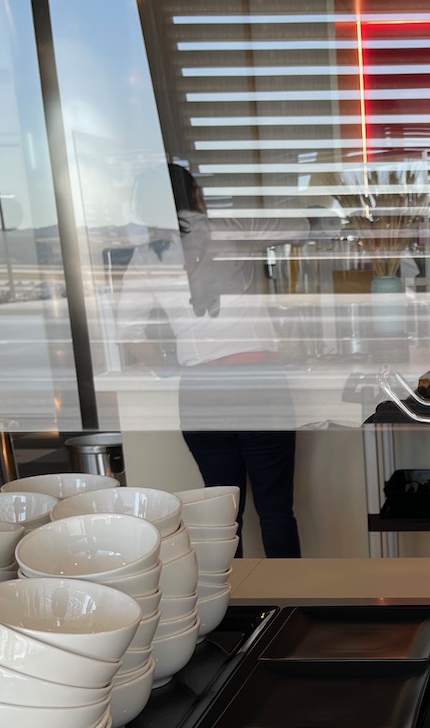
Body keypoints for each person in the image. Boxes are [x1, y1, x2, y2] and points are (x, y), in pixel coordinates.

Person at [116, 163, 308, 558]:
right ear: (197, 196)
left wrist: (169, 365)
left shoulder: (146, 256)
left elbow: (129, 331)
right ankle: (290, 610)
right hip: (257, 382)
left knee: (223, 518)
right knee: (274, 512)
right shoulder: (229, 229)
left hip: (200, 389)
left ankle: (233, 612)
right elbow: (301, 227)